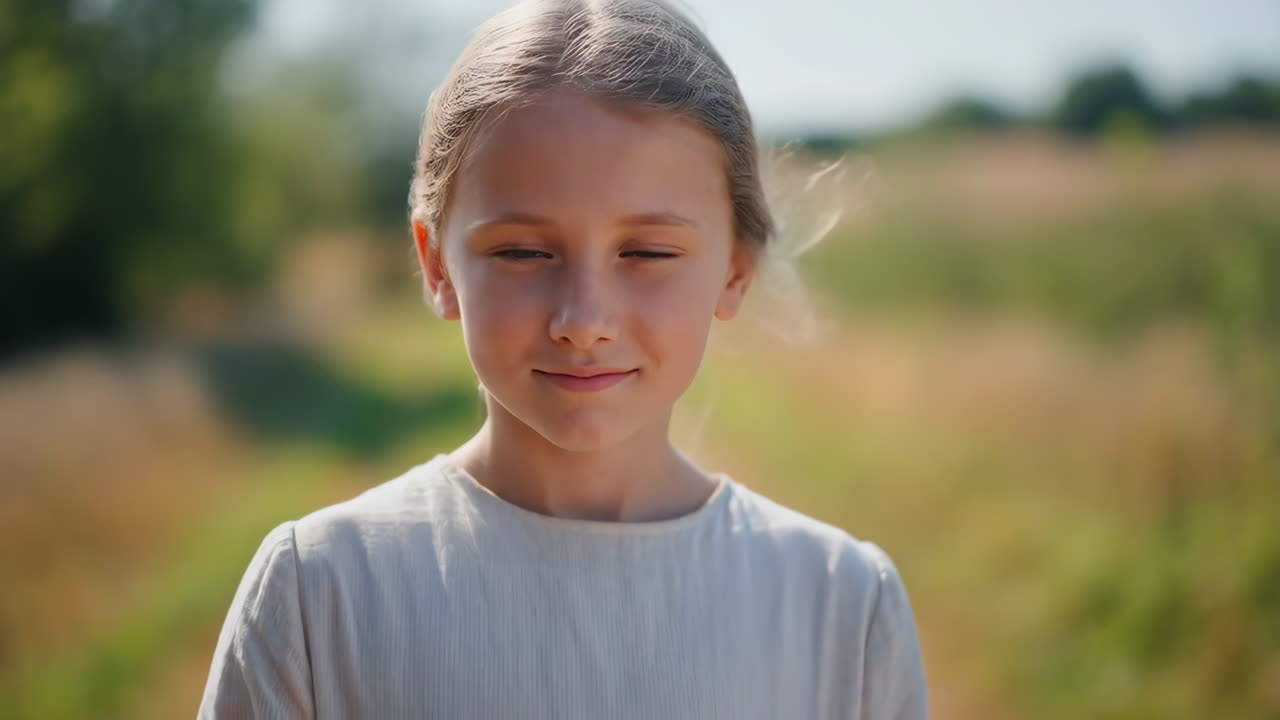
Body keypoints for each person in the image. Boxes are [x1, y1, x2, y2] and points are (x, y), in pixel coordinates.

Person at [198, 0, 929, 717]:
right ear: (436, 266)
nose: (583, 321)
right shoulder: (319, 596)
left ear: (735, 268)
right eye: (521, 251)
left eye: (646, 252)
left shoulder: (842, 608)